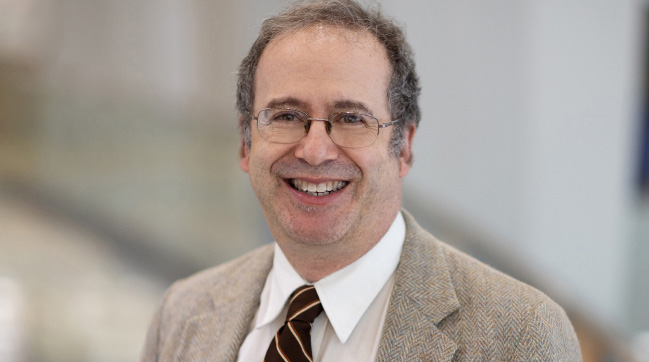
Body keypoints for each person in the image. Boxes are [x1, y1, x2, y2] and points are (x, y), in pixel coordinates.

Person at [140, 1, 582, 361]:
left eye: (351, 118)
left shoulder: (520, 336)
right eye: (287, 116)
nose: (314, 150)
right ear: (244, 142)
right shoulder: (183, 313)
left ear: (403, 146)